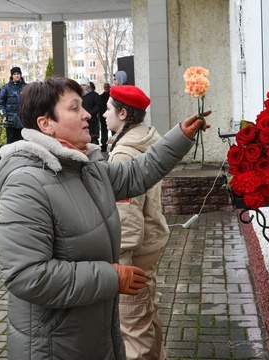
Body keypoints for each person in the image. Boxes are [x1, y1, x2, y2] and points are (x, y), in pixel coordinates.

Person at [0, 77, 210, 360]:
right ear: (46, 124)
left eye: (83, 106)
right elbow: (26, 275)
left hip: (90, 330)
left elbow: (136, 173)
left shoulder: (85, 168)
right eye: (74, 108)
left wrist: (180, 136)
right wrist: (112, 276)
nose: (87, 114)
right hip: (54, 343)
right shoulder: (26, 184)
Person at [104, 85, 169, 360]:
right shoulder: (145, 139)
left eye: (108, 109)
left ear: (122, 113)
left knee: (132, 329)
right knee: (146, 314)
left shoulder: (124, 154)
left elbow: (127, 218)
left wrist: (121, 262)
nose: (103, 115)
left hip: (133, 254)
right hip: (149, 244)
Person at [0, 67, 27, 144]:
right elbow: (1, 104)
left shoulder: (27, 87)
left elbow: (32, 103)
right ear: (12, 76)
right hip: (10, 121)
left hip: (23, 121)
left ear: (20, 75)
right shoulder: (6, 88)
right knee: (11, 143)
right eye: (14, 74)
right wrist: (3, 115)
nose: (16, 76)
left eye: (18, 74)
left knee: (23, 143)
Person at [79, 77, 100, 145]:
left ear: (88, 86)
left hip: (92, 120)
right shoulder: (79, 96)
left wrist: (90, 113)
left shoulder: (94, 95)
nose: (82, 87)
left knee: (93, 138)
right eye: (81, 85)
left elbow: (98, 106)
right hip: (82, 120)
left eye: (84, 85)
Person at [98, 82, 111, 152]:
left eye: (107, 87)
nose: (106, 89)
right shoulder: (101, 97)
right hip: (103, 116)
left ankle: (114, 144)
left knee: (113, 131)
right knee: (103, 131)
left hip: (111, 116)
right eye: (105, 87)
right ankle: (104, 145)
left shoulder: (111, 96)